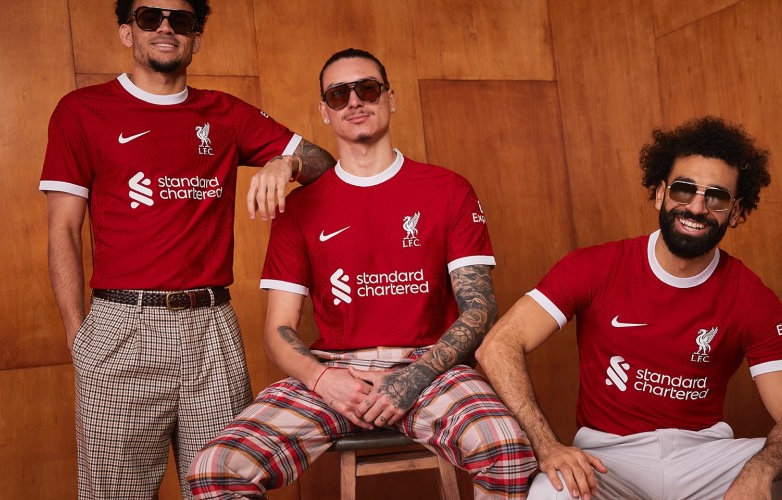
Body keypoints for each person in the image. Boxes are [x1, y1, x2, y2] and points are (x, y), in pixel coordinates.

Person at [186, 48, 538, 499]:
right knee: (217, 468)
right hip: (335, 370)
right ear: (325, 112)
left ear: (390, 98)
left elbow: (481, 311)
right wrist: (322, 379)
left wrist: (410, 380)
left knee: (506, 449)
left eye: (367, 89)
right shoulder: (298, 209)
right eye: (339, 94)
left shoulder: (448, 189)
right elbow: (277, 330)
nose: (354, 101)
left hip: (432, 367)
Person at [476, 117, 782, 499]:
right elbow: (498, 346)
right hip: (609, 458)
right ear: (660, 192)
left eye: (717, 197)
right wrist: (547, 447)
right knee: (552, 492)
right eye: (684, 189)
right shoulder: (595, 267)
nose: (697, 207)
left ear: (736, 212)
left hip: (707, 457)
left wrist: (759, 471)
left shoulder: (753, 298)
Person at [39, 1, 335, 498]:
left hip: (212, 325)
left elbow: (325, 167)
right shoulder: (82, 110)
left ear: (196, 37)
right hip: (122, 325)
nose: (165, 28)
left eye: (180, 20)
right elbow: (63, 230)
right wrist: (78, 337)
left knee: (228, 486)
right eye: (149, 17)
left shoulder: (226, 113)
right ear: (126, 32)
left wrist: (285, 164)